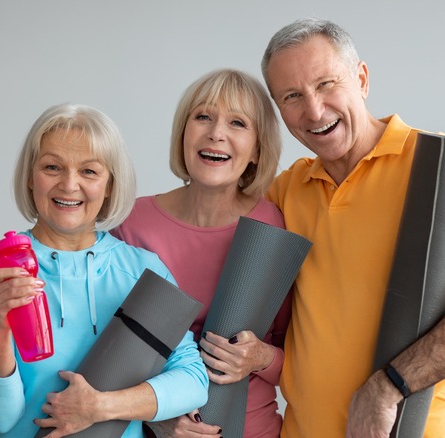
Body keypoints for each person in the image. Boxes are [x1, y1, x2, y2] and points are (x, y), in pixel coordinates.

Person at [0, 103, 209, 437]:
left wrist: (100, 407)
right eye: (52, 167)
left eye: (89, 171)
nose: (69, 185)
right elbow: (0, 418)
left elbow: (192, 380)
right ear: (29, 176)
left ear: (109, 184)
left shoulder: (141, 269)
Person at [261, 18, 445, 437]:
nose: (314, 110)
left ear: (361, 79)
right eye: (292, 96)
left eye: (326, 83)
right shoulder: (286, 191)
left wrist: (390, 385)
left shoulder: (438, 172)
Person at [113, 68, 287, 437]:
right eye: (203, 117)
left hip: (252, 429)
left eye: (237, 122)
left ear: (257, 149)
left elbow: (297, 354)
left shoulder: (273, 225)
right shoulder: (132, 223)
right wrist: (157, 418)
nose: (216, 133)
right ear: (183, 134)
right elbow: (113, 352)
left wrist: (260, 357)